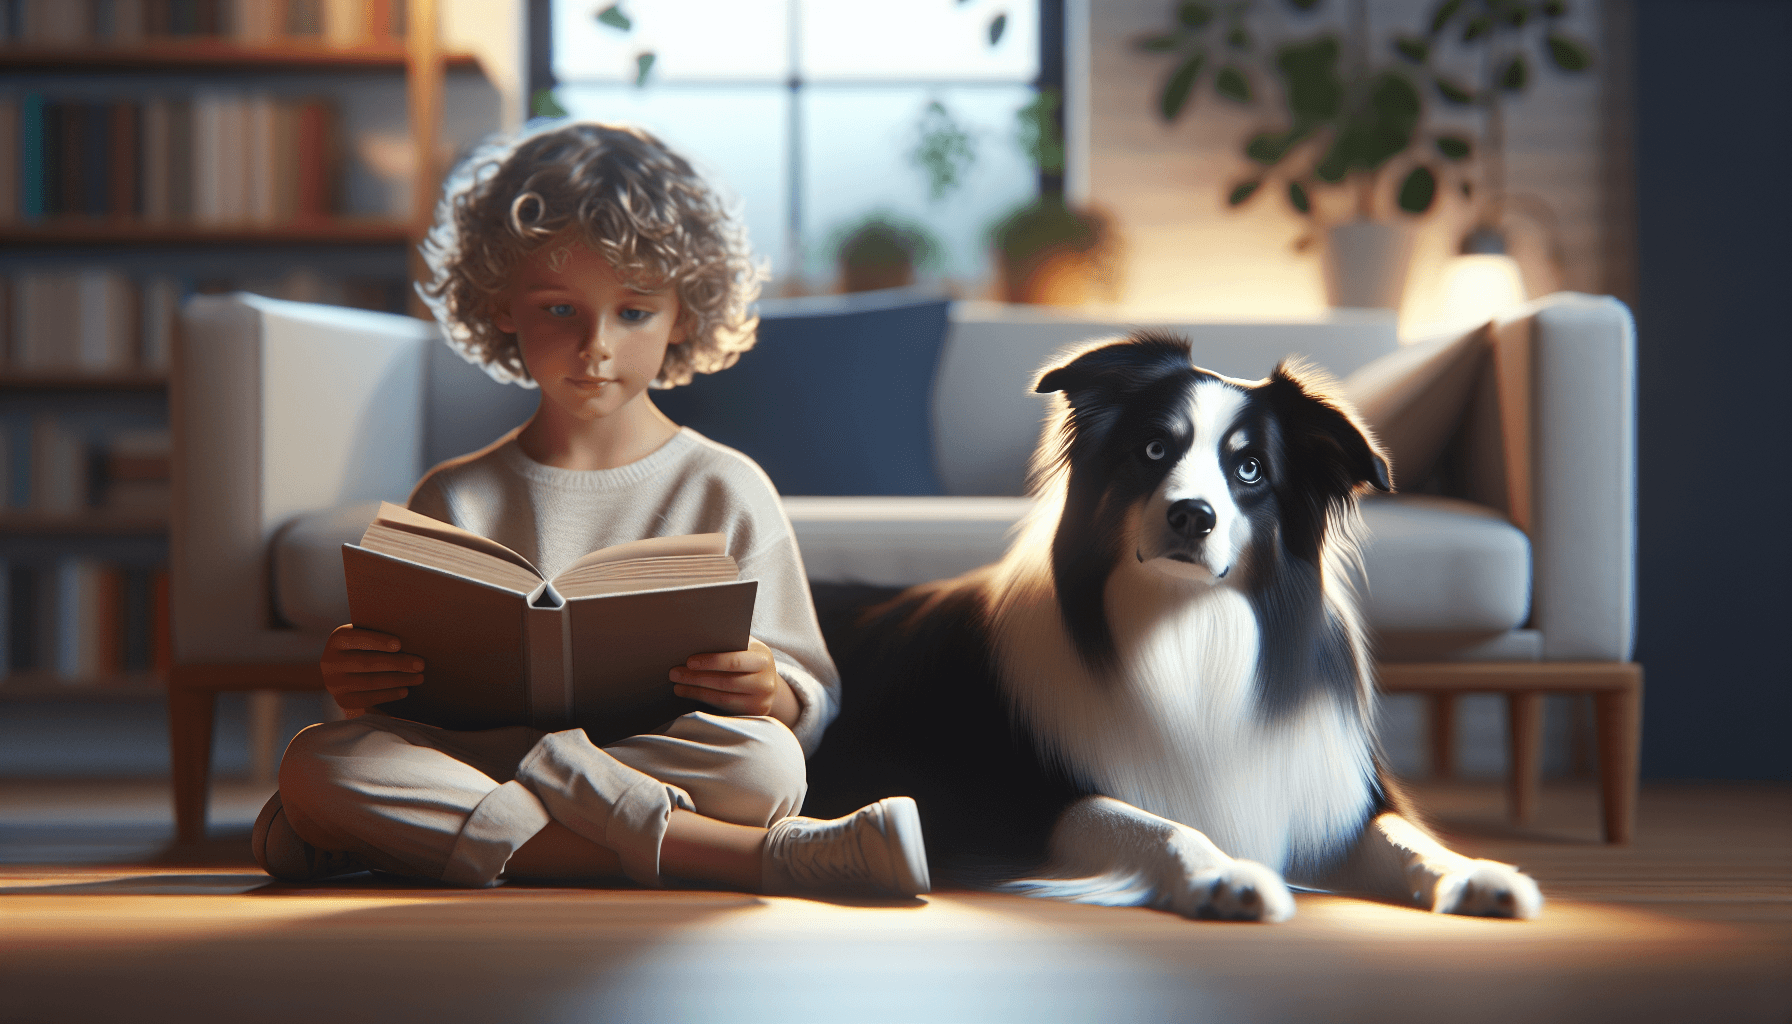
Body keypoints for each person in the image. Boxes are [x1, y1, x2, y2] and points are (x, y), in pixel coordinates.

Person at [250, 122, 928, 898]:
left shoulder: (727, 487)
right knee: (321, 758)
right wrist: (358, 674)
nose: (596, 346)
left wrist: (767, 686)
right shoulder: (454, 494)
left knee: (762, 762)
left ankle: (413, 841)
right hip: (486, 752)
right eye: (560, 310)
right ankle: (744, 858)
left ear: (684, 314)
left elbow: (805, 696)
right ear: (502, 306)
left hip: (639, 753)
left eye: (632, 312)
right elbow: (405, 696)